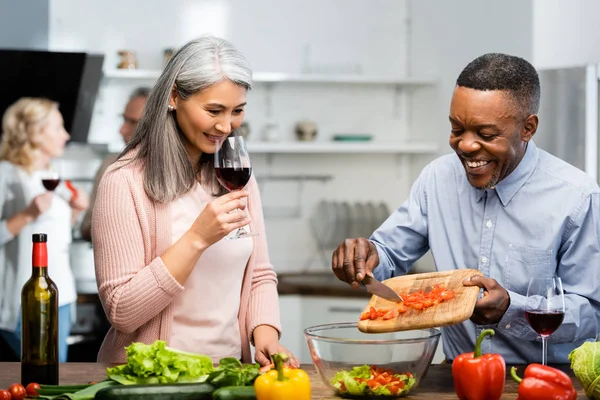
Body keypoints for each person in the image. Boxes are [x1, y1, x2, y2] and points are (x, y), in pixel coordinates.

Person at [332, 53, 600, 364]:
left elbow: (593, 312)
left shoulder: (578, 197)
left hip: (546, 378)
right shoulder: (437, 178)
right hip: (456, 374)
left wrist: (512, 308)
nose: (466, 146)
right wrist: (364, 258)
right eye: (457, 129)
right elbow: (389, 255)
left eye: (486, 135)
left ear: (528, 128)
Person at [91, 35, 297, 366]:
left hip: (228, 375)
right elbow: (122, 311)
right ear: (174, 97)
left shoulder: (236, 176)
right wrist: (198, 238)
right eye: (213, 110)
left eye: (237, 111)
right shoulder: (124, 181)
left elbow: (258, 273)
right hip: (150, 380)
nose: (225, 126)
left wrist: (266, 336)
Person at [0, 97, 89, 362]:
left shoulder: (52, 175)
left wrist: (75, 211)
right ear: (35, 133)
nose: (66, 135)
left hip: (61, 293)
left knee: (52, 375)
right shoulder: (7, 174)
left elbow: (55, 235)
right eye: (58, 128)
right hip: (27, 298)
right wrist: (27, 214)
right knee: (44, 376)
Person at [80, 86, 150, 241]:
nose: (122, 130)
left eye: (133, 122)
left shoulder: (179, 169)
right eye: (124, 119)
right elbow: (86, 227)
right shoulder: (110, 165)